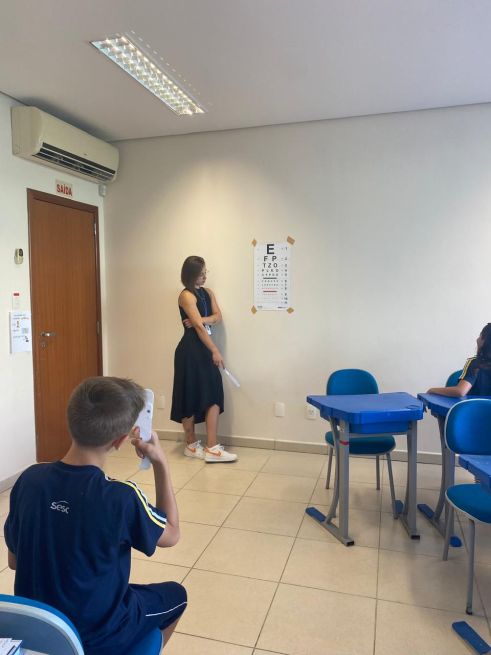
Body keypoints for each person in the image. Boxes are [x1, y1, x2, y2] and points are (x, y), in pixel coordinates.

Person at [4, 376, 186, 655]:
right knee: (176, 595)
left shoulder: (29, 479)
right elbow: (171, 533)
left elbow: (14, 562)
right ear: (120, 440)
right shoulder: (121, 497)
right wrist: (160, 462)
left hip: (40, 629)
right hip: (98, 637)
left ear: (70, 421)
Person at [170, 255, 237, 462]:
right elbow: (198, 328)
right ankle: (191, 445)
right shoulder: (186, 296)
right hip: (190, 351)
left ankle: (212, 447)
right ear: (190, 275)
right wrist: (215, 350)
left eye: (205, 272)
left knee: (213, 393)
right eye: (200, 274)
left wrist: (201, 319)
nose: (204, 276)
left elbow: (217, 317)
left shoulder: (208, 293)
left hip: (204, 348)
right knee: (189, 394)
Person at [428, 323, 491, 397]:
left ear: (485, 341)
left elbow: (461, 391)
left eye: (480, 335)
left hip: (474, 405)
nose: (477, 339)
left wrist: (432, 390)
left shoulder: (475, 363)